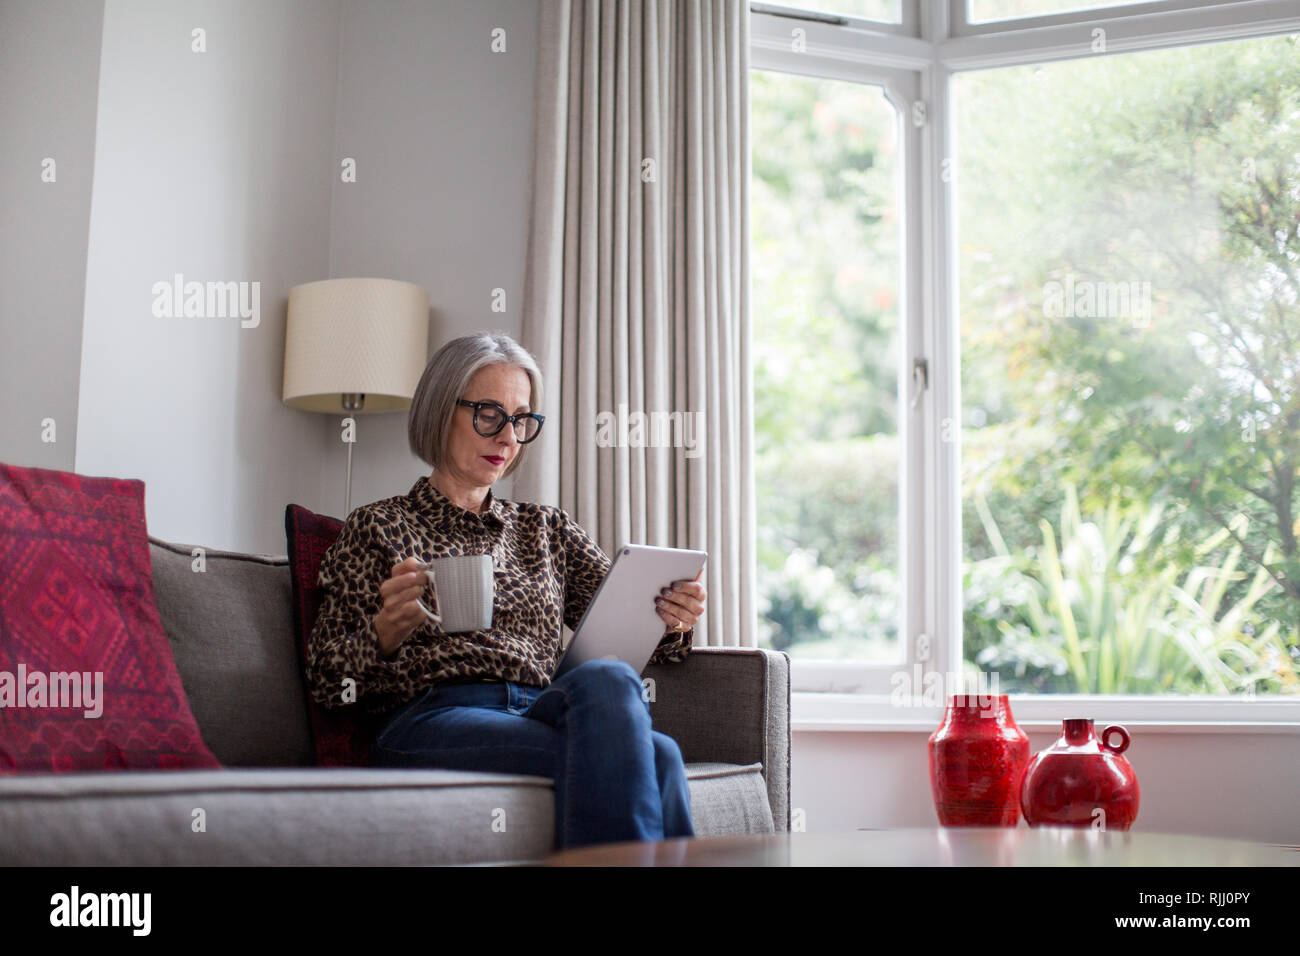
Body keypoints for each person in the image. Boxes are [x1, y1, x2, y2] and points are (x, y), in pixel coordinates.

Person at [304, 330, 706, 850]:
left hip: (543, 705)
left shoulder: (546, 528)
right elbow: (326, 681)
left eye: (521, 420)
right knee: (658, 757)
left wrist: (671, 619)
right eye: (489, 415)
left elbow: (627, 620)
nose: (509, 438)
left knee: (608, 678)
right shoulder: (379, 526)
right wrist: (383, 632)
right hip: (433, 717)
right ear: (439, 410)